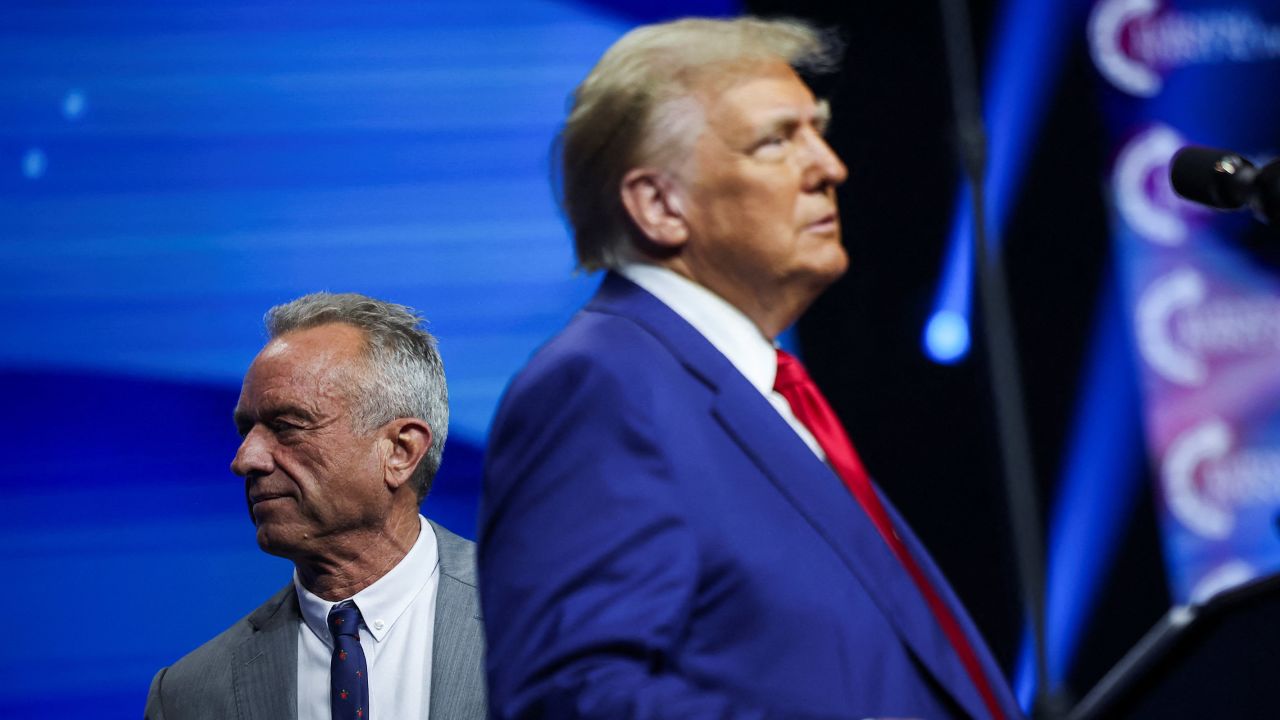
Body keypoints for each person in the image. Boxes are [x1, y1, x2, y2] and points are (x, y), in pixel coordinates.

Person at [479, 17, 1023, 720]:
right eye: (777, 141)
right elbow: (572, 700)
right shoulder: (602, 385)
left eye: (817, 131)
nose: (830, 166)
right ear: (659, 205)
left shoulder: (758, 392)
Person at [145, 292, 486, 720]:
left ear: (400, 451)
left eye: (286, 426)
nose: (245, 460)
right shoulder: (187, 696)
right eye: (245, 430)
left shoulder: (555, 616)